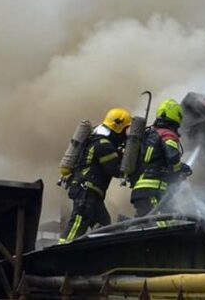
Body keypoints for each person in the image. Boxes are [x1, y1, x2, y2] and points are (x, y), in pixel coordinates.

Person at [59, 107, 132, 244]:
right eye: (125, 130)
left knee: (104, 226)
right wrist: (129, 157)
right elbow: (116, 169)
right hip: (86, 194)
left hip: (91, 194)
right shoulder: (103, 145)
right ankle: (58, 255)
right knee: (76, 226)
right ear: (118, 127)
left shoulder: (96, 138)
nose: (124, 135)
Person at [130, 99, 192, 219]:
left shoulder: (148, 135)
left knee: (169, 222)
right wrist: (179, 171)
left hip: (142, 191)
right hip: (153, 192)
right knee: (164, 227)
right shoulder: (168, 135)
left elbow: (155, 162)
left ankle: (124, 226)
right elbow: (173, 159)